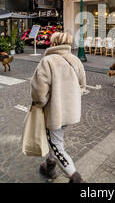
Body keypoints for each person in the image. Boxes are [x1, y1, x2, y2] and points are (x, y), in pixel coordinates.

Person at [30, 32, 87, 183]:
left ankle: (75, 178)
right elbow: (82, 86)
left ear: (53, 43)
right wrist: (71, 99)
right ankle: (49, 167)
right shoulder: (76, 60)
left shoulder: (47, 61)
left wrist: (41, 103)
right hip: (70, 112)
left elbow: (39, 92)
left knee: (56, 146)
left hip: (54, 112)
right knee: (55, 138)